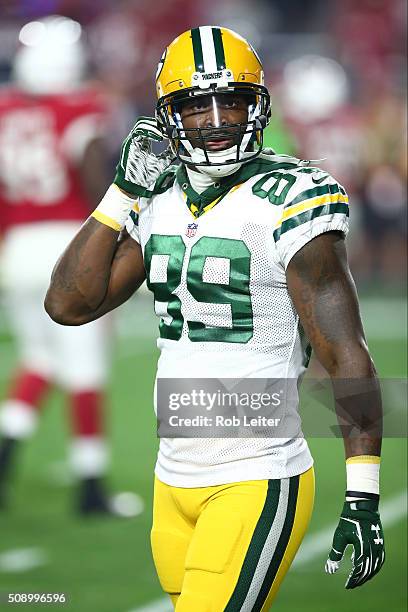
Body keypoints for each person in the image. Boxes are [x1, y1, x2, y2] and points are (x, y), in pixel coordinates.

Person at [44, 26, 385, 609]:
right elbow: (69, 305)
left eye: (232, 100)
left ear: (258, 104)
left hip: (257, 473)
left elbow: (345, 351)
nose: (217, 118)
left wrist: (363, 495)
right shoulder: (156, 196)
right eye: (195, 105)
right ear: (167, 115)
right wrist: (121, 191)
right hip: (172, 476)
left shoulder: (294, 194)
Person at [0, 16, 114, 514]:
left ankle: (4, 458)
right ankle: (90, 485)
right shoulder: (83, 108)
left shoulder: (4, 110)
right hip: (67, 245)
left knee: (40, 360)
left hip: (17, 246)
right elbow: (94, 183)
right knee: (85, 366)